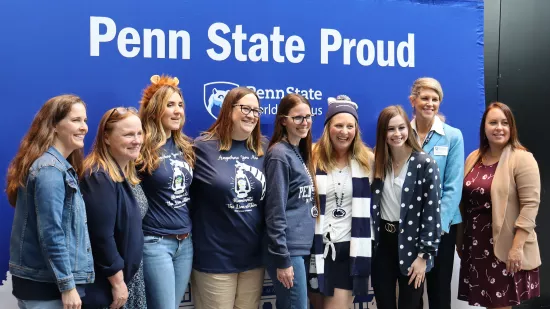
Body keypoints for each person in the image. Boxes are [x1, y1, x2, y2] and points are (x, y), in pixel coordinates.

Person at [7, 94, 94, 309]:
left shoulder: (56, 166)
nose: (84, 127)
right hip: (48, 288)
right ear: (54, 125)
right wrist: (67, 286)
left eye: (85, 120)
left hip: (48, 284)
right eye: (76, 120)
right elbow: (52, 234)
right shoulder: (50, 170)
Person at [457, 102, 541, 308]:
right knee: (488, 303)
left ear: (511, 128)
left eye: (504, 123)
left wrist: (516, 248)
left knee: (501, 304)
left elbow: (530, 206)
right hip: (476, 244)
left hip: (506, 246)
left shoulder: (522, 158)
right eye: (493, 122)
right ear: (484, 127)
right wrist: (461, 240)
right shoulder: (473, 157)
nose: (499, 128)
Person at [190, 87, 266, 309]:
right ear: (228, 109)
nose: (251, 115)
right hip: (215, 258)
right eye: (245, 108)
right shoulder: (202, 148)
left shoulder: (264, 149)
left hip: (253, 258)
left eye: (256, 110)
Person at [370, 105, 442, 309]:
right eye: (390, 129)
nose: (396, 134)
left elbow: (432, 214)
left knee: (410, 304)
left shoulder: (425, 164)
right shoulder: (377, 161)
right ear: (382, 132)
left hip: (413, 247)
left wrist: (423, 257)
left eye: (401, 127)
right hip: (383, 245)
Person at [307, 95, 374, 309]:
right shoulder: (311, 156)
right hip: (315, 248)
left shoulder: (368, 161)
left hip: (347, 252)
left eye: (350, 126)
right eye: (338, 125)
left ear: (356, 129)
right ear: (328, 128)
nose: (344, 132)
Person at [137, 75, 195, 309]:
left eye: (180, 105)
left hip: (185, 243)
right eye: (170, 105)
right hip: (155, 242)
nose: (177, 111)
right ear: (154, 110)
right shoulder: (141, 148)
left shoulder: (186, 147)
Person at [79, 107, 145, 309]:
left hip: (130, 279)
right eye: (128, 135)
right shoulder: (98, 176)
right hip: (109, 284)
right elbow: (101, 237)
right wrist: (117, 283)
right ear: (106, 138)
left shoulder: (126, 172)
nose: (137, 140)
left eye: (139, 133)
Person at [408, 77, 465, 309]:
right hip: (410, 226)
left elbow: (453, 186)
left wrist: (436, 227)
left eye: (435, 99)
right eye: (425, 98)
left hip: (442, 227)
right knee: (412, 291)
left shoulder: (452, 136)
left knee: (439, 291)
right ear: (413, 100)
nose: (430, 103)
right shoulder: (402, 133)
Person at [264, 93, 318, 309]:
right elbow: (275, 210)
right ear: (283, 120)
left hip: (302, 248)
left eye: (308, 116)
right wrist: (282, 258)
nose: (304, 123)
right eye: (298, 118)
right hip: (289, 250)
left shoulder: (299, 152)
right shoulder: (279, 154)